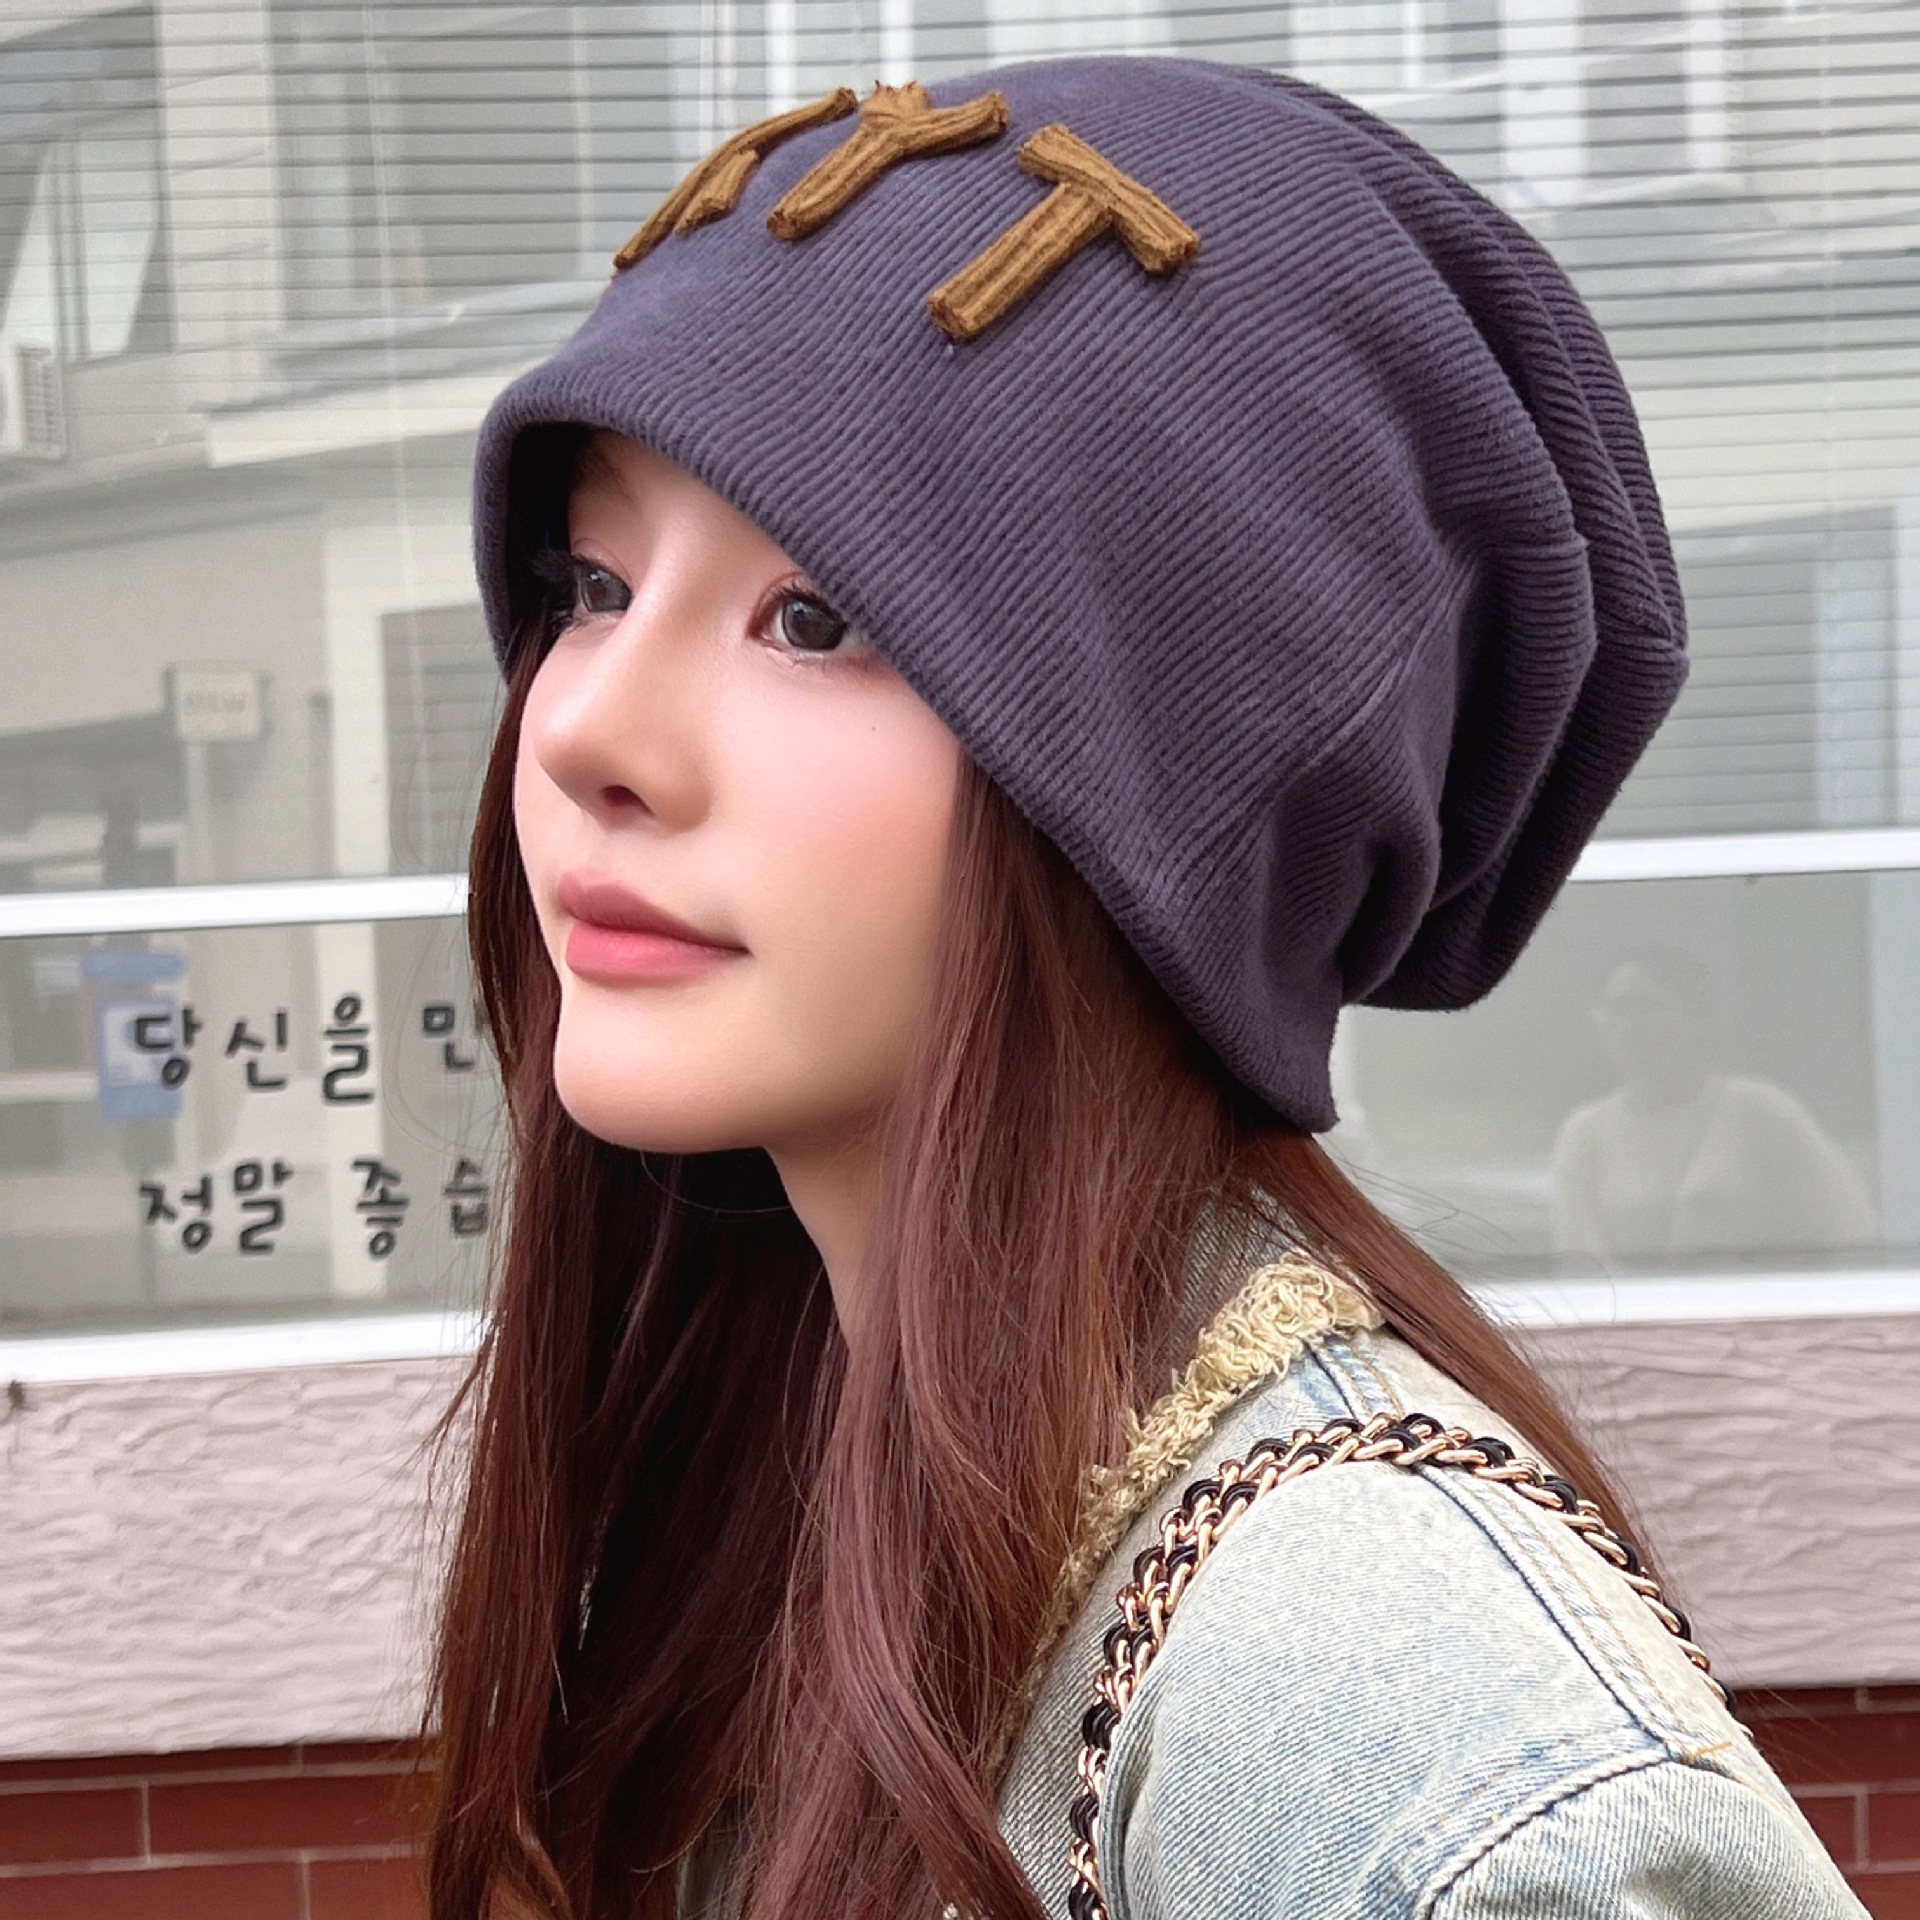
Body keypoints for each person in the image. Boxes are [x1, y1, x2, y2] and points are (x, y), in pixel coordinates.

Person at [431, 57, 1865, 1920]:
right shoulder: (779, 1478)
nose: (586, 728)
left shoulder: (1387, 1734)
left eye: (817, 618)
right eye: (591, 582)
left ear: (1163, 797)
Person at [1552, 947, 1877, 1265]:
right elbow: (1579, 1256)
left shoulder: (1759, 1111)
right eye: (1614, 1010)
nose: (1626, 1027)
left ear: (1694, 1016)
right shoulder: (1586, 1132)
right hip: (1633, 1301)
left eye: (1644, 1007)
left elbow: (1850, 1225)